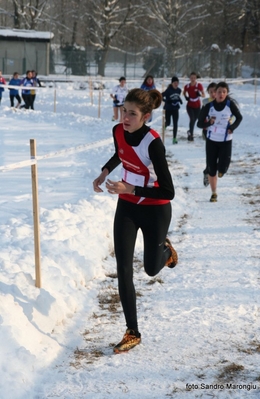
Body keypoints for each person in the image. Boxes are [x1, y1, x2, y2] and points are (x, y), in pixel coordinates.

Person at [93, 88, 178, 353]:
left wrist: (130, 189)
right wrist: (104, 171)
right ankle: (132, 332)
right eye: (124, 111)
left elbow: (168, 191)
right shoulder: (118, 131)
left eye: (132, 114)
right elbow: (121, 152)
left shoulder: (153, 143)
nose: (125, 118)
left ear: (146, 117)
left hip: (155, 208)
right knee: (124, 269)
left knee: (150, 269)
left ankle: (165, 251)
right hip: (127, 208)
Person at [197, 81, 243, 202]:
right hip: (211, 140)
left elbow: (239, 117)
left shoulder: (230, 105)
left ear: (226, 93)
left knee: (223, 168)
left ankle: (221, 170)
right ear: (214, 94)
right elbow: (199, 123)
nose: (221, 94)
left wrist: (232, 128)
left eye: (224, 92)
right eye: (219, 92)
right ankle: (214, 193)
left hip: (226, 140)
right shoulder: (208, 106)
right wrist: (208, 123)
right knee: (212, 169)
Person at [202, 82, 217, 186]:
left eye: (214, 91)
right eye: (210, 92)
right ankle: (207, 171)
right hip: (208, 131)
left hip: (220, 132)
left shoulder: (222, 102)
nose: (213, 94)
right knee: (210, 154)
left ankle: (210, 171)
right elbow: (201, 116)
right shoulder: (205, 102)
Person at [183, 72, 205, 141]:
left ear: (196, 78)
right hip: (190, 105)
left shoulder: (199, 85)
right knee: (192, 119)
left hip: (197, 106)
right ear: (190, 78)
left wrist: (199, 95)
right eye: (191, 78)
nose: (193, 79)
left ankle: (190, 131)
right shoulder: (187, 86)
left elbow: (204, 95)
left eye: (194, 78)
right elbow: (184, 92)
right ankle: (191, 135)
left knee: (195, 120)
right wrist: (186, 97)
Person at [162, 76, 183, 144]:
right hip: (168, 108)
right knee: (168, 122)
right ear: (172, 83)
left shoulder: (179, 90)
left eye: (177, 82)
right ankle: (165, 125)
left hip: (175, 109)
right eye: (174, 82)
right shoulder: (168, 90)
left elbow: (177, 97)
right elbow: (161, 96)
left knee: (175, 124)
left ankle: (174, 138)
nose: (176, 84)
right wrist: (166, 101)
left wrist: (180, 100)